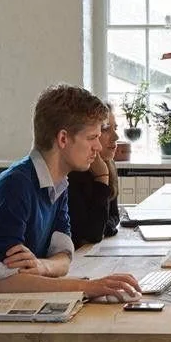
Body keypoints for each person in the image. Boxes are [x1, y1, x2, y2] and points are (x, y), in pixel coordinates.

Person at [0, 85, 141, 342]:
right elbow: (4, 283)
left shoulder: (58, 182)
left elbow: (64, 256)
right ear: (63, 138)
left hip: (19, 312)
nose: (98, 147)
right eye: (92, 137)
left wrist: (42, 266)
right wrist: (89, 287)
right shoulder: (15, 187)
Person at [68, 103, 121, 246]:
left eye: (115, 128)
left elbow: (114, 216)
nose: (116, 137)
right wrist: (102, 178)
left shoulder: (108, 163)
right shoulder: (74, 173)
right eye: (105, 130)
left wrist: (105, 227)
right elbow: (93, 234)